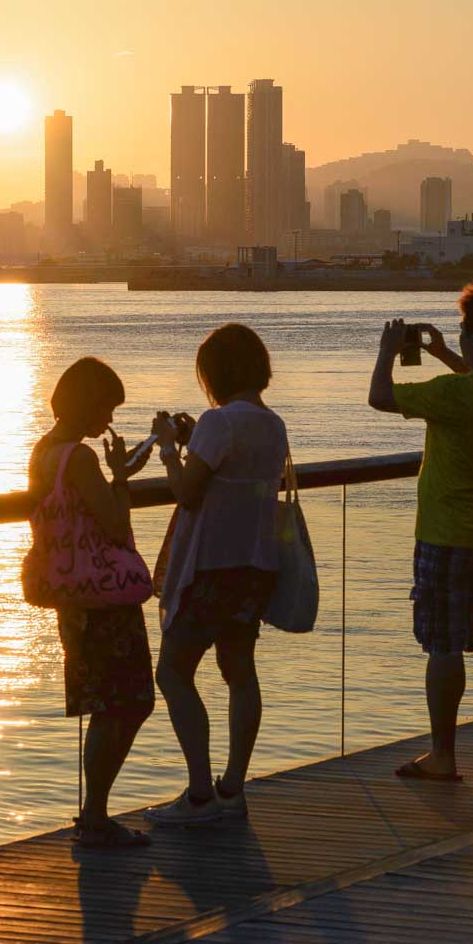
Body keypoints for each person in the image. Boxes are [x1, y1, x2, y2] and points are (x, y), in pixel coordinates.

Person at [148, 323, 287, 824]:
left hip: (209, 569)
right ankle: (233, 789)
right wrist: (193, 441)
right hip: (254, 566)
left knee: (173, 673)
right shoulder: (274, 425)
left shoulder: (217, 421)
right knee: (239, 673)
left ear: (215, 372)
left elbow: (187, 491)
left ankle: (201, 793)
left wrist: (168, 446)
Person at [28, 357, 155, 847]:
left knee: (109, 702)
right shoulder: (79, 459)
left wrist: (116, 473)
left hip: (73, 591)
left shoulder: (44, 449)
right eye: (107, 406)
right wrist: (121, 478)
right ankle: (95, 815)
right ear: (87, 402)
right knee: (127, 702)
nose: (110, 419)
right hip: (104, 596)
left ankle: (94, 813)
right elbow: (116, 525)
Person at [368, 289, 473, 782]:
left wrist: (385, 352)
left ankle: (442, 754)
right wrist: (442, 353)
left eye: (462, 332)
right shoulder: (469, 387)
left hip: (449, 534)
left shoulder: (453, 394)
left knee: (445, 644)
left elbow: (380, 397)